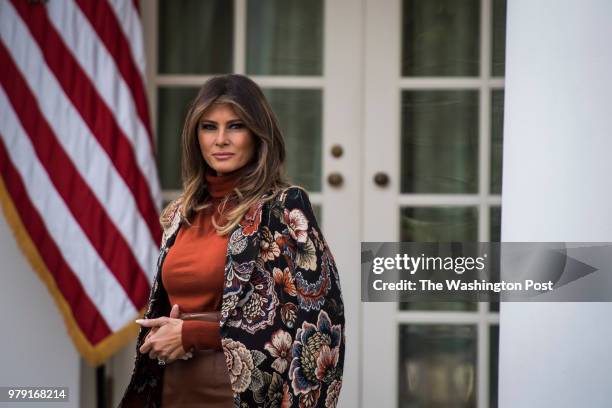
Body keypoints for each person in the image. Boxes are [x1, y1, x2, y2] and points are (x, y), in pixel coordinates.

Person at [118, 74, 345, 407]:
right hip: (173, 388)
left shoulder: (283, 208)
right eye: (209, 127)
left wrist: (193, 334)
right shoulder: (180, 213)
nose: (220, 139)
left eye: (235, 126)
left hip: (240, 393)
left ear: (257, 135)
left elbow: (318, 324)